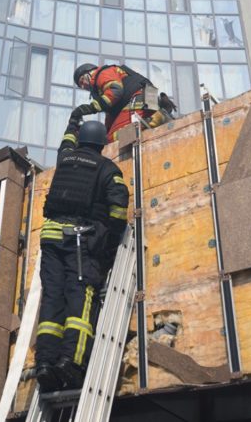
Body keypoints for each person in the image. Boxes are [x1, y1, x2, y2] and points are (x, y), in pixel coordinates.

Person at [34, 120, 129, 392]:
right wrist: (109, 241)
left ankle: (44, 364)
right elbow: (119, 210)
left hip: (50, 237)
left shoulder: (64, 160)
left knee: (53, 298)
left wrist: (72, 121)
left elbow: (65, 142)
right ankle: (71, 362)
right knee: (81, 296)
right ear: (102, 144)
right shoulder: (107, 169)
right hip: (78, 239)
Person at [70, 63, 176, 143]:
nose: (83, 85)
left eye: (82, 80)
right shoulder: (101, 89)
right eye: (81, 86)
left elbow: (116, 90)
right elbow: (111, 114)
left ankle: (157, 118)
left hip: (138, 99)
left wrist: (90, 108)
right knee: (110, 138)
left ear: (89, 72)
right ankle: (155, 117)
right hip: (146, 96)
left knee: (117, 138)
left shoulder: (101, 73)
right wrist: (104, 135)